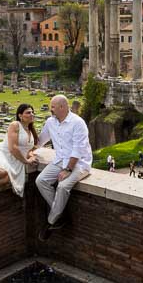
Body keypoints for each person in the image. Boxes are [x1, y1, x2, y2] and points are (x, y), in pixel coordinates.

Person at [35, 95, 93, 242]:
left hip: (80, 163)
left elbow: (78, 150)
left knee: (63, 186)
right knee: (40, 180)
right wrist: (24, 150)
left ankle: (50, 222)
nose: (51, 109)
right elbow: (41, 141)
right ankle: (61, 213)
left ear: (62, 107)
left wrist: (67, 170)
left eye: (53, 107)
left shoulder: (78, 123)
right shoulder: (50, 122)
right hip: (59, 160)